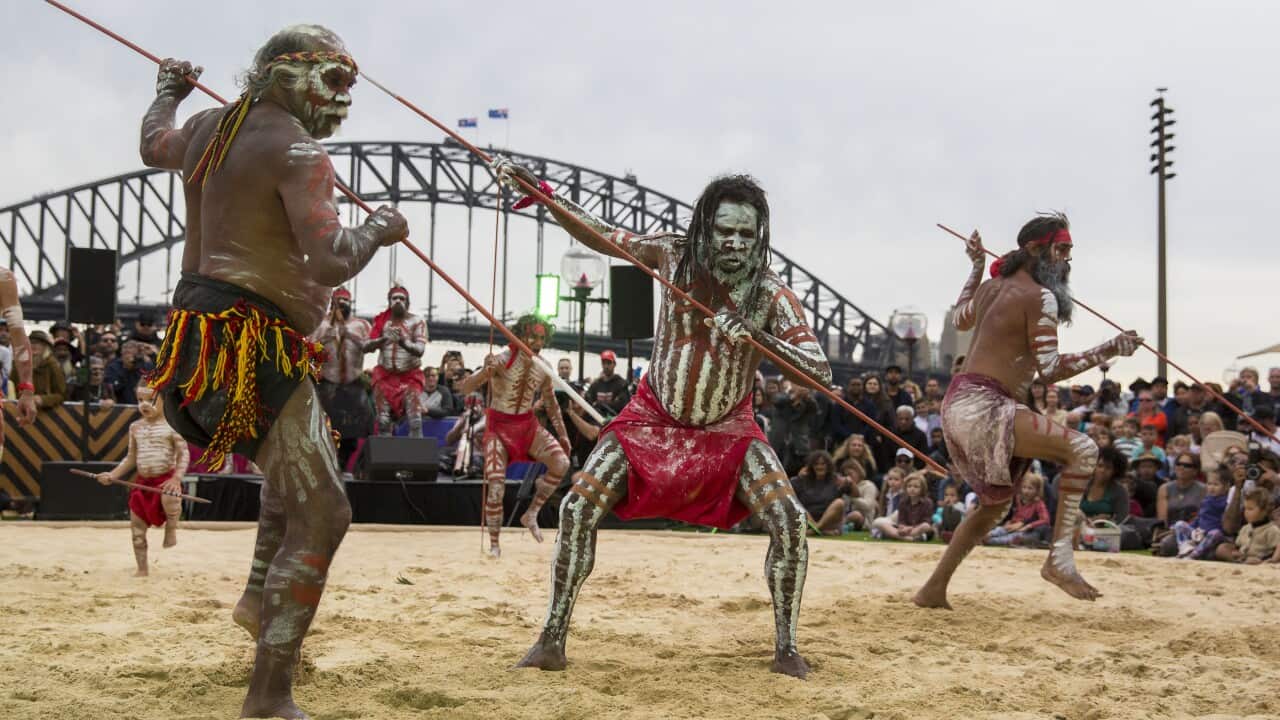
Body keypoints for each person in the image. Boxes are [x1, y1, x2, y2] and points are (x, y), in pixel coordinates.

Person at [138, 28, 407, 718]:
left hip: (195, 343)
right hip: (248, 345)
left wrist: (168, 93)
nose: (343, 99)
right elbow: (330, 258)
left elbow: (153, 144)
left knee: (295, 480)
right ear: (287, 75)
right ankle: (268, 696)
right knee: (325, 512)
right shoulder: (300, 152)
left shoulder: (208, 127)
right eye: (334, 81)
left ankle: (259, 596)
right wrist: (380, 229)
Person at [494, 163, 830, 678]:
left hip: (728, 430)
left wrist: (758, 337)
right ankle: (551, 639)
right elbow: (605, 235)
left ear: (759, 236)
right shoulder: (673, 253)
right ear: (705, 228)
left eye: (746, 234)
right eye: (724, 231)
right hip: (650, 420)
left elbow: (819, 371)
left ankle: (787, 648)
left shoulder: (770, 294)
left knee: (790, 522)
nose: (735, 244)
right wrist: (545, 196)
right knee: (576, 510)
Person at [914, 215, 1142, 609]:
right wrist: (1111, 348)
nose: (1067, 260)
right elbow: (1050, 369)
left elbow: (959, 316)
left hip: (960, 401)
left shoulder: (991, 287)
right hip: (985, 405)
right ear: (1037, 249)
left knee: (994, 508)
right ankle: (1059, 561)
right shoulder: (1040, 297)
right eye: (1062, 249)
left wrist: (975, 267)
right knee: (1083, 450)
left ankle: (932, 590)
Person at [455, 314, 572, 557]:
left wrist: (563, 435)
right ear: (519, 335)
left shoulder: (544, 367)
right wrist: (483, 372)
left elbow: (551, 405)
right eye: (532, 337)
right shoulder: (500, 360)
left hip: (527, 427)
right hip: (499, 428)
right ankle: (494, 545)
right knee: (496, 487)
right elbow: (465, 388)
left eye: (541, 338)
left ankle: (531, 513)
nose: (537, 342)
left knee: (561, 463)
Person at [95, 384, 188, 576]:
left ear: (164, 401)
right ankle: (142, 569)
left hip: (166, 480)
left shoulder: (172, 427)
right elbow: (130, 458)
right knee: (136, 529)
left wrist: (176, 478)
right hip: (142, 483)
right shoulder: (135, 427)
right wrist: (113, 475)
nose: (144, 404)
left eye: (150, 400)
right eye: (140, 400)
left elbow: (183, 455)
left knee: (171, 496)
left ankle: (171, 528)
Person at [310, 287, 374, 468]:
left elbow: (370, 347)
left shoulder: (361, 325)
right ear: (332, 303)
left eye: (346, 301)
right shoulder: (320, 323)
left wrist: (350, 335)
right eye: (339, 301)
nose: (342, 305)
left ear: (351, 303)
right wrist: (324, 339)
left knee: (356, 430)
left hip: (353, 383)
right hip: (327, 383)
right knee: (324, 428)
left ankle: (346, 465)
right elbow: (308, 351)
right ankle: (326, 465)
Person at [365, 285, 428, 437]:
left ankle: (417, 451)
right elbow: (365, 347)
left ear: (408, 302)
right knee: (383, 421)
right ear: (389, 301)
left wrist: (403, 341)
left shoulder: (417, 321)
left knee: (415, 420)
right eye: (395, 298)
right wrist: (384, 339)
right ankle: (383, 452)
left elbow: (420, 350)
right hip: (385, 377)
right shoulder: (381, 321)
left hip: (409, 377)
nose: (398, 301)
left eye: (402, 298)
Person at [1155, 466, 1229, 558]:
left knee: (1215, 533)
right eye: (1209, 484)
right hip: (1199, 532)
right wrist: (1192, 527)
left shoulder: (1225, 502)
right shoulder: (1206, 500)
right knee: (1179, 524)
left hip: (1211, 534)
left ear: (1226, 487)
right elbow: (1199, 517)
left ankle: (1195, 554)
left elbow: (1224, 522)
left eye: (1216, 485)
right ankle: (1185, 548)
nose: (1211, 488)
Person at [984, 473, 1050, 546]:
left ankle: (989, 541)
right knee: (998, 530)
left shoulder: (1038, 504)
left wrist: (1029, 526)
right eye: (1024, 487)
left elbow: (1045, 519)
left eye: (1030, 488)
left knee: (1009, 538)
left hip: (1023, 530)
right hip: (1011, 526)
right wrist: (1010, 522)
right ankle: (985, 536)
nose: (1026, 491)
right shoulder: (1017, 499)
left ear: (1037, 490)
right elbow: (1012, 514)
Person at [1216, 488, 1280, 564]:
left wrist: (1272, 559)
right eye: (1245, 508)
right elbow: (1238, 545)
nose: (1246, 512)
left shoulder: (1271, 529)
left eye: (1250, 509)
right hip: (1243, 556)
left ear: (1264, 511)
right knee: (1222, 548)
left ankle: (1243, 562)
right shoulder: (1245, 528)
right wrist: (1236, 552)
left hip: (1259, 559)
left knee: (1253, 561)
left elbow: (1278, 547)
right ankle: (1238, 562)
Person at [791, 450, 846, 535]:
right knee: (795, 502)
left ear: (828, 466)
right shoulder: (802, 480)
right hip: (808, 520)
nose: (820, 467)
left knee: (840, 503)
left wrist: (849, 482)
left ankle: (815, 530)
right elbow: (787, 489)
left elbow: (856, 494)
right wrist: (798, 477)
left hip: (829, 522)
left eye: (823, 464)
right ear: (811, 466)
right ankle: (819, 530)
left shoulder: (836, 480)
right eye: (816, 464)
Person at [870, 471, 933, 540]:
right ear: (906, 488)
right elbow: (901, 520)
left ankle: (902, 537)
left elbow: (927, 520)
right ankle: (909, 539)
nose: (912, 489)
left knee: (926, 526)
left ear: (922, 488)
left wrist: (910, 528)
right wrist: (903, 527)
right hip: (904, 528)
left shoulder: (928, 502)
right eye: (909, 486)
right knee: (883, 525)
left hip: (917, 528)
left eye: (916, 487)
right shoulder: (903, 502)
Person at [1080, 446, 1132, 523]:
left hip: (1105, 529)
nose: (1102, 470)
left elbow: (1121, 520)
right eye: (1100, 465)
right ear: (1094, 465)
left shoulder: (1120, 492)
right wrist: (1091, 520)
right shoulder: (1082, 484)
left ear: (1115, 471)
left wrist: (1104, 522)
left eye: (1108, 468)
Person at [105, 340, 153, 405]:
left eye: (131, 347)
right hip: (121, 404)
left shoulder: (146, 365)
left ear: (137, 351)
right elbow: (114, 388)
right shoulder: (113, 366)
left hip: (142, 403)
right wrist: (126, 368)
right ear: (121, 351)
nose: (127, 350)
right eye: (125, 347)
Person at [585, 349, 630, 417]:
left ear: (614, 364)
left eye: (609, 363)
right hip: (596, 419)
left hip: (614, 420)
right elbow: (589, 402)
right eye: (604, 363)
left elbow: (622, 405)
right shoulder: (595, 385)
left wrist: (599, 404)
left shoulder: (621, 384)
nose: (606, 366)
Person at [29, 331, 68, 409]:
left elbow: (61, 395)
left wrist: (43, 399)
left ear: (45, 346)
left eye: (39, 343)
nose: (34, 345)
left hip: (47, 412)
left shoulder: (52, 365)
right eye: (31, 342)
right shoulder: (19, 364)